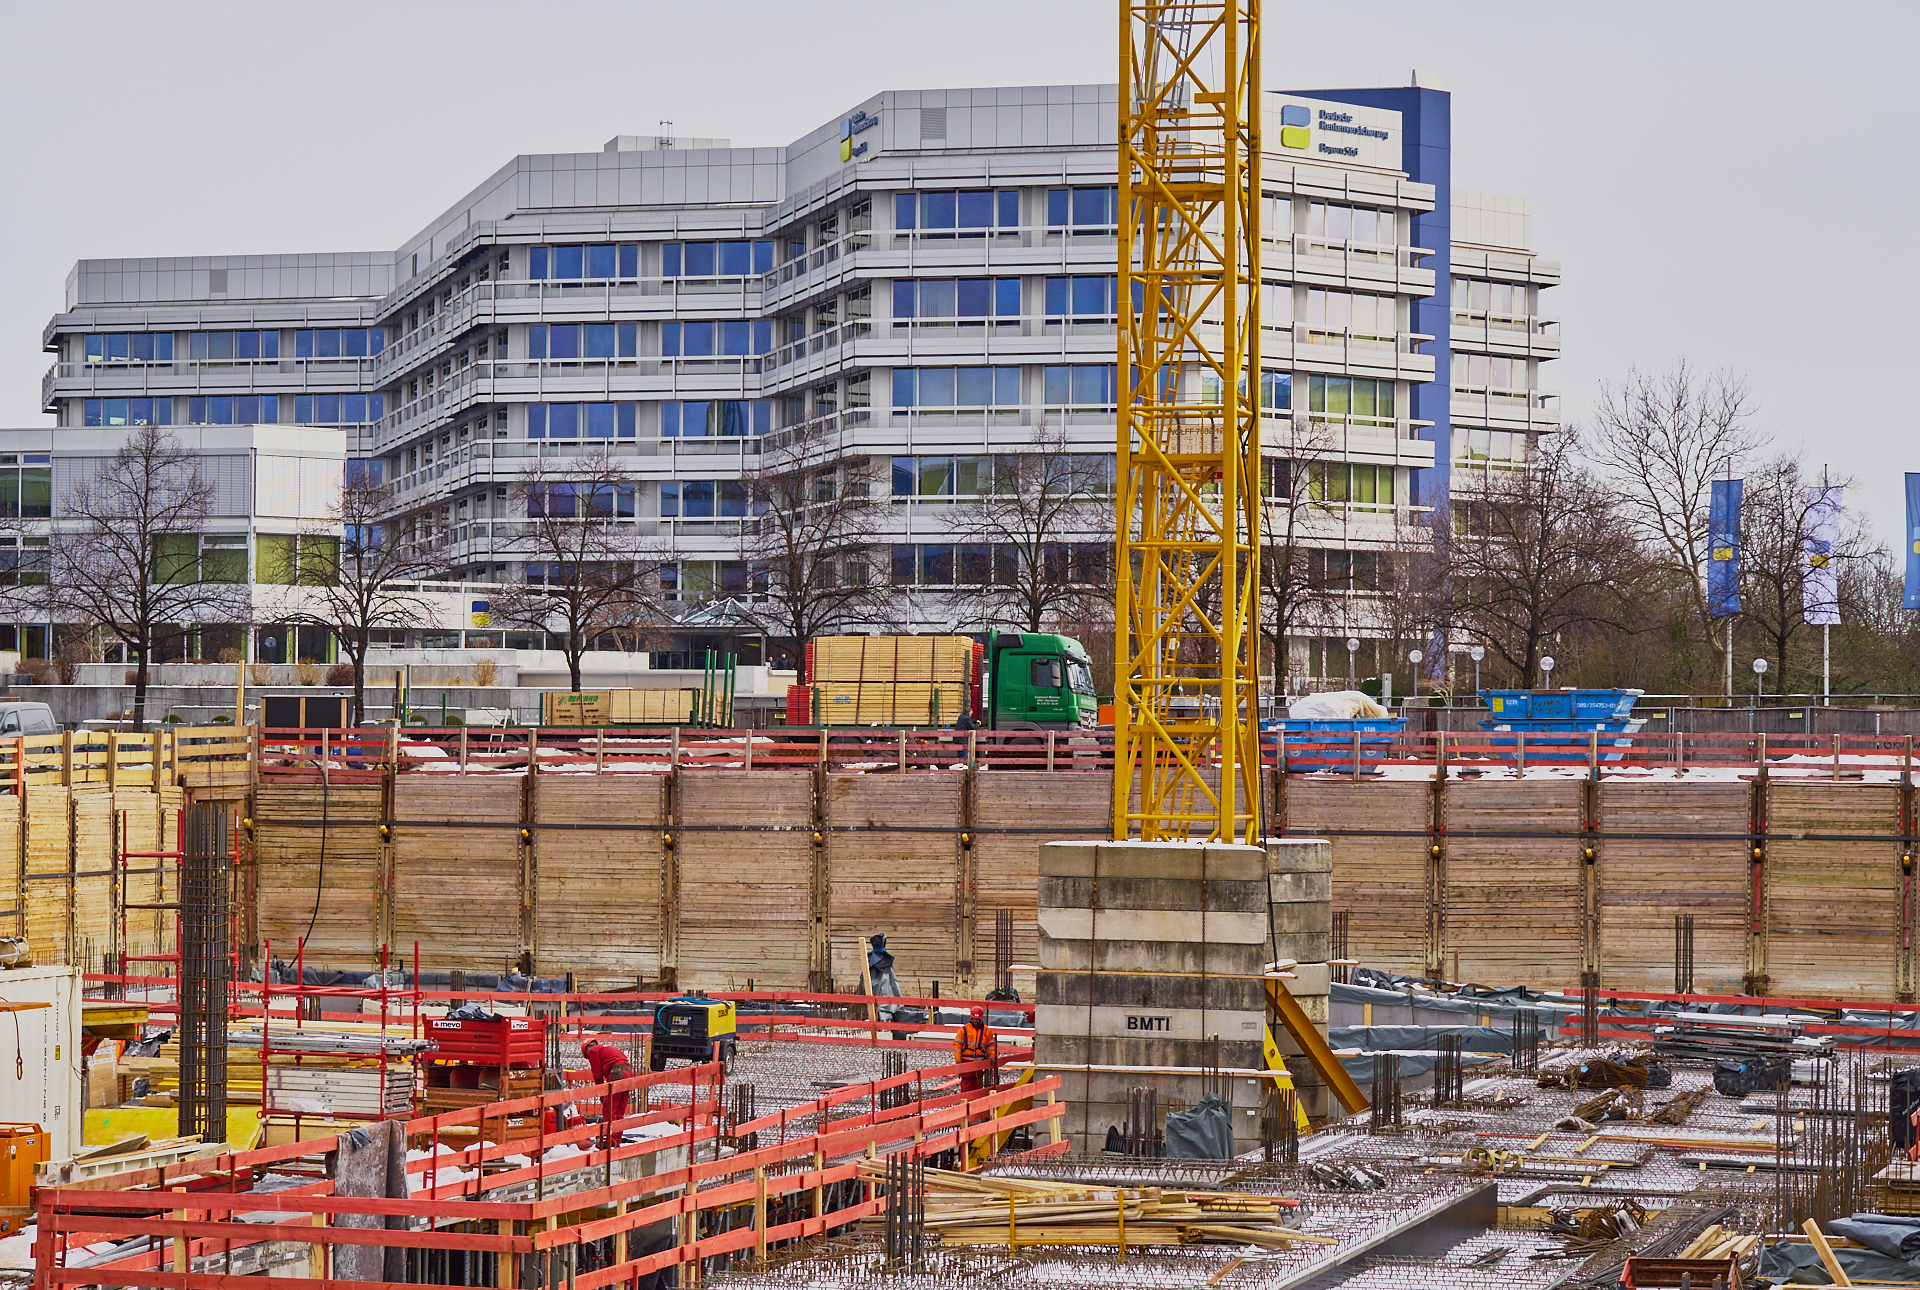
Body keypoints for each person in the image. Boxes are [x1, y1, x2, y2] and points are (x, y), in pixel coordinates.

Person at [581, 1036, 635, 1129]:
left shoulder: (592, 1051)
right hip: (628, 1072)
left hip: (617, 1073)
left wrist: (601, 1091)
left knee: (609, 1109)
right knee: (619, 1110)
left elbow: (597, 1074)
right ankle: (616, 1141)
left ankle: (611, 1139)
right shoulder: (606, 1048)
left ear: (586, 1050)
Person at [953, 1004, 999, 1092]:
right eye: (974, 1018)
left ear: (980, 1018)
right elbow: (957, 1045)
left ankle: (975, 1102)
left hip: (979, 1062)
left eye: (977, 1019)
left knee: (977, 1083)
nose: (976, 1020)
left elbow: (991, 1045)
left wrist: (991, 1056)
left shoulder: (986, 1031)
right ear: (971, 1017)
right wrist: (958, 1060)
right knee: (966, 1083)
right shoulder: (964, 1030)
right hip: (966, 1061)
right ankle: (965, 1101)